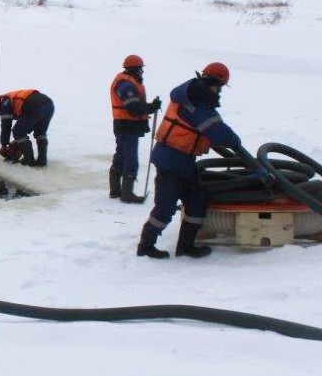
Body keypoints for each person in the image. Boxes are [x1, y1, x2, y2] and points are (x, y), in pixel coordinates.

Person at [136, 62, 274, 260]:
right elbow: (219, 133)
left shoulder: (194, 96)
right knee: (165, 207)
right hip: (171, 161)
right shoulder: (196, 104)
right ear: (214, 84)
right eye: (219, 87)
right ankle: (146, 246)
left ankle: (186, 247)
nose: (219, 92)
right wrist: (237, 145)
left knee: (197, 201)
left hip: (183, 161)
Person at [109, 55, 162, 203]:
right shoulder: (126, 85)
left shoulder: (125, 83)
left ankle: (115, 190)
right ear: (136, 70)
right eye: (140, 70)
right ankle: (127, 194)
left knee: (120, 156)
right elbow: (133, 108)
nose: (142, 73)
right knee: (130, 160)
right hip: (127, 126)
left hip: (124, 125)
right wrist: (152, 107)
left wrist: (150, 106)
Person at [0, 89, 55, 167]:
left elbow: (6, 126)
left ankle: (29, 160)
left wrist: (4, 145)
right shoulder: (13, 98)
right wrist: (19, 141)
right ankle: (42, 161)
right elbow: (28, 124)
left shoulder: (4, 102)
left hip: (35, 105)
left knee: (18, 131)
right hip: (49, 105)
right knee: (40, 132)